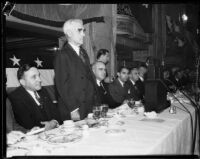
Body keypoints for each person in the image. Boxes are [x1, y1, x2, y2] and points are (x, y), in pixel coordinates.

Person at [54, 19, 97, 121]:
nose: (83, 34)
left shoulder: (84, 53)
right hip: (75, 109)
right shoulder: (62, 55)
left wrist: (95, 103)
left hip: (88, 106)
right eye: (80, 30)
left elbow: (90, 80)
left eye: (84, 31)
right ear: (69, 33)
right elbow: (62, 85)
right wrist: (73, 109)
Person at [8, 64, 60, 130]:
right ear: (23, 82)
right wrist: (48, 125)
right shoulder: (16, 97)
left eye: (39, 75)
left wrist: (54, 122)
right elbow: (28, 125)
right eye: (34, 77)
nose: (39, 80)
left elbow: (56, 114)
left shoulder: (43, 91)